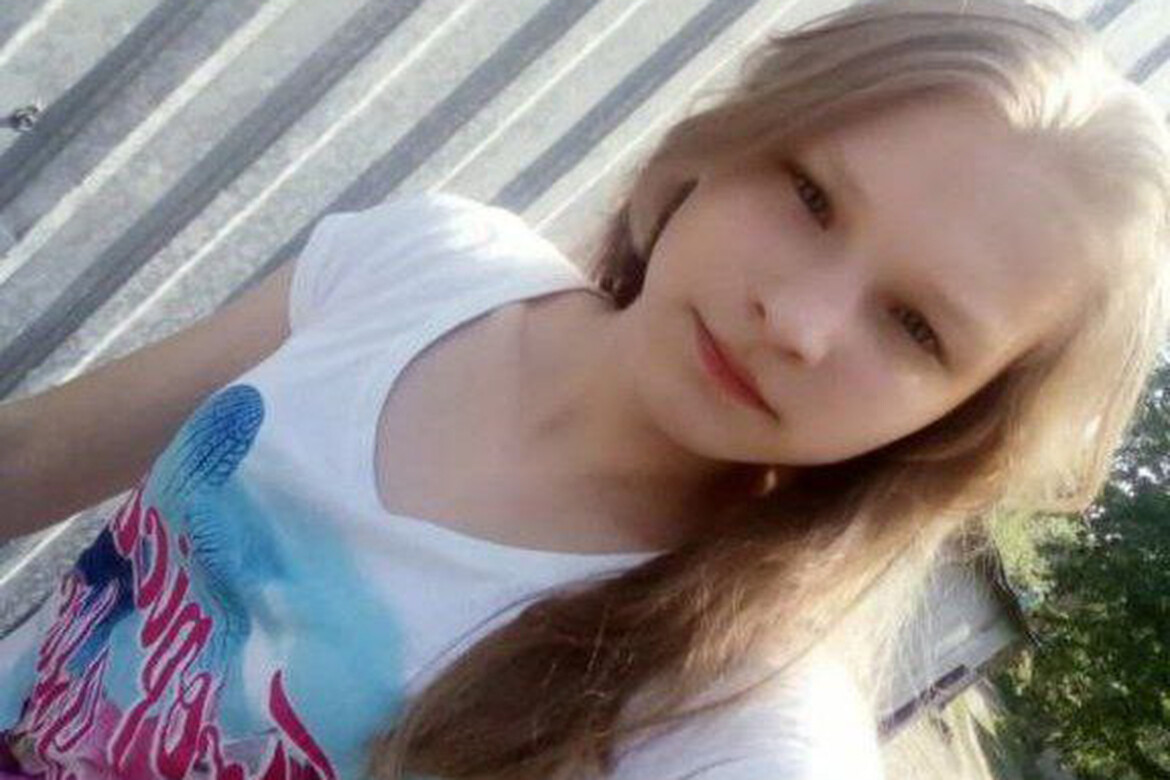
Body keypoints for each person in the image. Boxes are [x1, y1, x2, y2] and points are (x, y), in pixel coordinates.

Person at [0, 0, 1167, 777]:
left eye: (915, 326)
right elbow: (30, 458)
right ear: (725, 141)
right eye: (811, 196)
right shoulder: (425, 266)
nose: (799, 323)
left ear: (956, 425)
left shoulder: (731, 725)